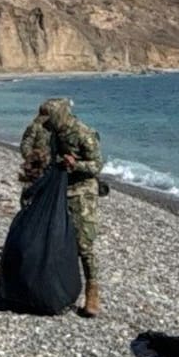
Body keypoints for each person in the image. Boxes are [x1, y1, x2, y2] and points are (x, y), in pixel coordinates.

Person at [44, 99, 105, 318]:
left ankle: (92, 291)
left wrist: (75, 164)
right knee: (57, 239)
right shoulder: (54, 133)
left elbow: (97, 165)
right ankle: (60, 287)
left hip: (83, 194)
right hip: (62, 190)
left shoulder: (83, 133)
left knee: (84, 243)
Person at [17, 98, 65, 206]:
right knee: (30, 196)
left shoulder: (56, 127)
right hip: (36, 167)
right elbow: (25, 144)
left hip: (52, 168)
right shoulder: (35, 126)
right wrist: (33, 157)